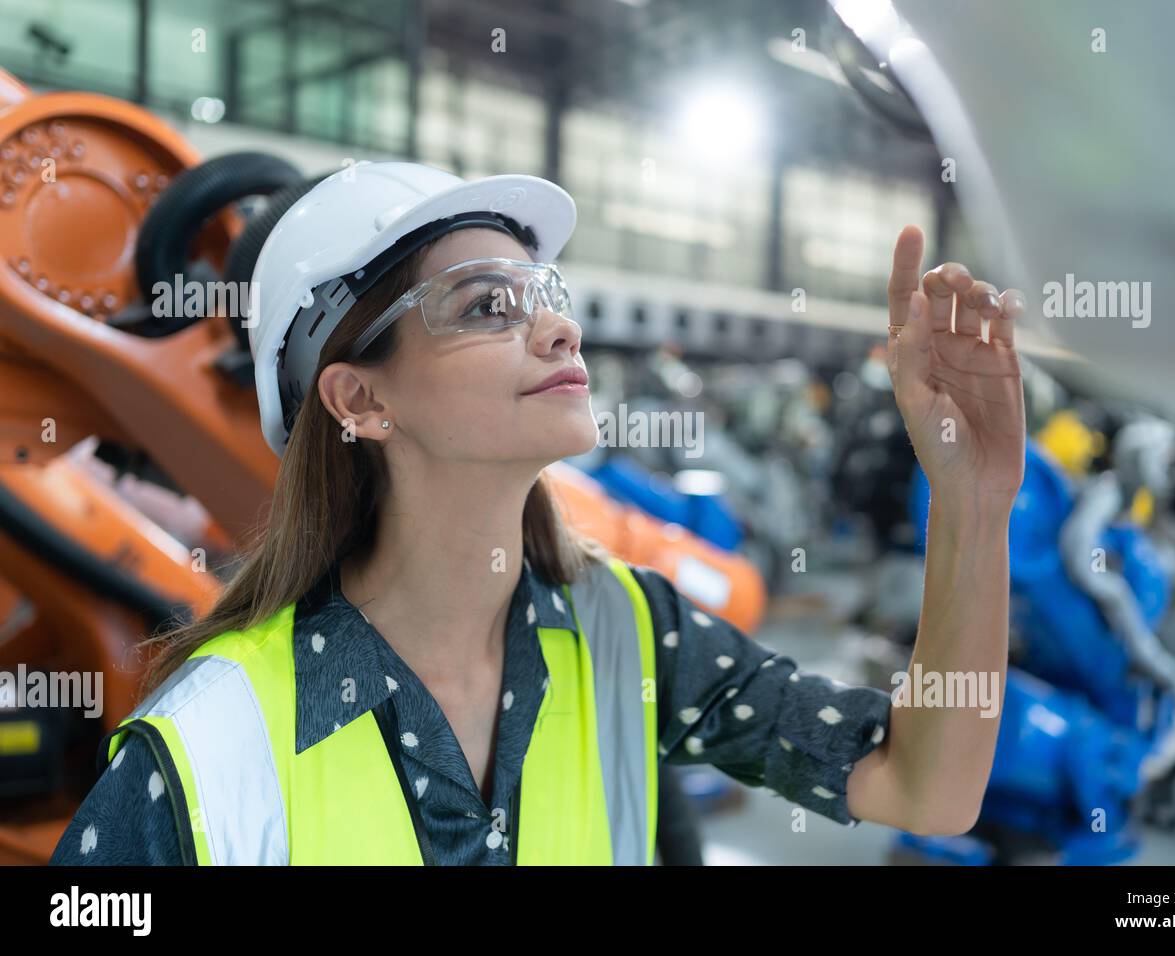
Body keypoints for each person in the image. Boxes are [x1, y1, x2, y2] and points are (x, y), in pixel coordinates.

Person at [49, 161, 1025, 865]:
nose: (558, 324)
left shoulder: (632, 635)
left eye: (541, 293)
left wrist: (971, 507)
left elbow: (925, 785)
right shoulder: (214, 741)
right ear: (358, 400)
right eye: (483, 306)